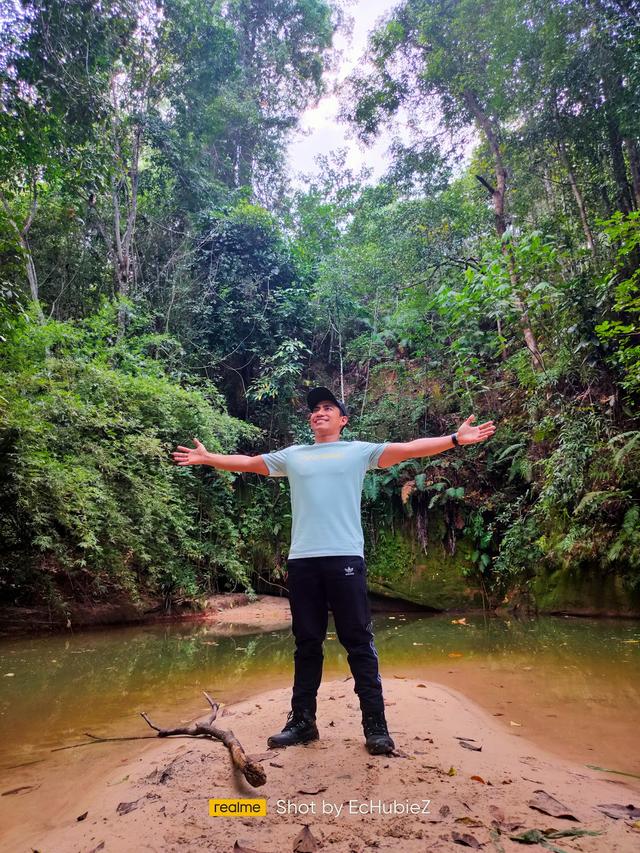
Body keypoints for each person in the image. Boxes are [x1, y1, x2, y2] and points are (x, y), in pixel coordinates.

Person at [172, 387, 495, 755]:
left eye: (328, 407)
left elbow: (409, 447)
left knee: (358, 641)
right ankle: (303, 723)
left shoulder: (358, 452)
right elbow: (248, 462)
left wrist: (454, 439)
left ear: (342, 420)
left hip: (344, 558)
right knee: (306, 643)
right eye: (315, 409)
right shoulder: (293, 456)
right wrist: (208, 458)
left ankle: (376, 727)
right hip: (303, 561)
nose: (319, 412)